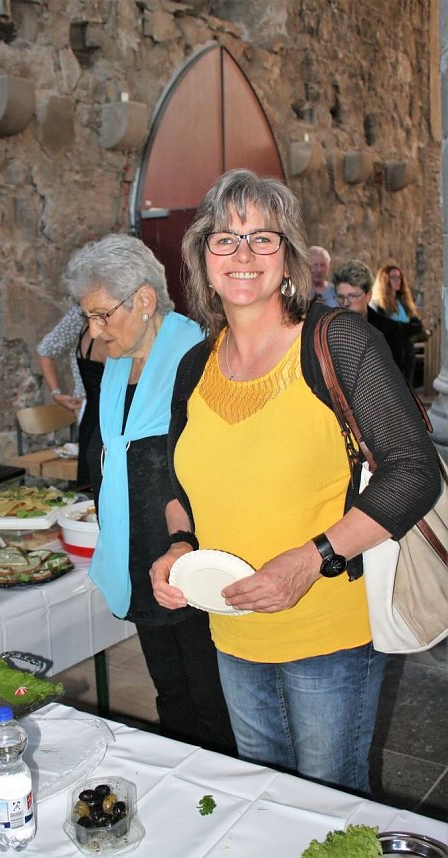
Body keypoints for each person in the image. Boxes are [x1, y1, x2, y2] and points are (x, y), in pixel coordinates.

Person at [150, 169, 440, 794]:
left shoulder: (337, 340)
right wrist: (178, 546)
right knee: (260, 797)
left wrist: (313, 560)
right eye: (225, 239)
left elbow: (414, 472)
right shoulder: (195, 364)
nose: (243, 253)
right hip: (231, 628)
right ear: (203, 259)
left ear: (288, 257)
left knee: (328, 803)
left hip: (325, 632)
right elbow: (178, 485)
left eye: (263, 237)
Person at [66, 233, 235, 753]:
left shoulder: (201, 357)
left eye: (102, 315)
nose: (94, 331)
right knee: (170, 689)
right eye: (87, 317)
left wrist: (181, 543)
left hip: (190, 548)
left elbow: (209, 464)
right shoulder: (117, 366)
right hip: (136, 549)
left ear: (143, 299)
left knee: (212, 696)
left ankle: (222, 780)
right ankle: (179, 769)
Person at [37, 306, 106, 488]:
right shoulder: (79, 314)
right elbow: (46, 350)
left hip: (100, 412)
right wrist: (56, 394)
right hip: (93, 408)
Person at [333, 259, 404, 370]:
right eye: (340, 297)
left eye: (352, 296)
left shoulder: (390, 331)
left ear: (368, 296)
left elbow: (397, 376)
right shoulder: (329, 331)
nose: (345, 303)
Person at [371, 263, 424, 385]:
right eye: (394, 277)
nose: (398, 280)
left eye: (399, 277)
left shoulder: (403, 302)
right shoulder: (378, 305)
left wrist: (398, 327)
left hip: (408, 354)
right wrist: (402, 328)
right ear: (385, 280)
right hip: (390, 356)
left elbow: (418, 326)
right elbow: (386, 328)